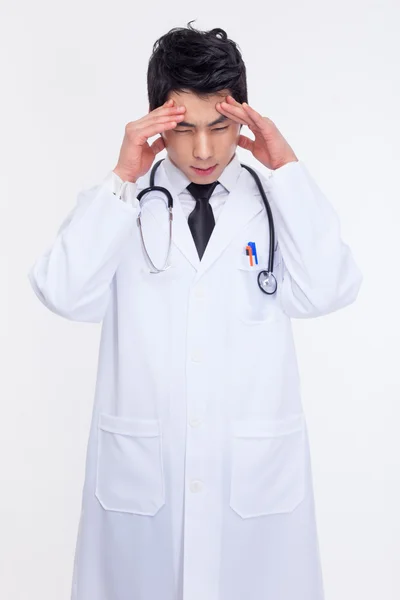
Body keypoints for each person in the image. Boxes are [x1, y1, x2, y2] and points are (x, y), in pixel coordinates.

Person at [28, 21, 362, 600]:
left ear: (243, 120)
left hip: (254, 494)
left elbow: (332, 286)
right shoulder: (123, 204)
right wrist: (122, 179)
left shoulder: (274, 203)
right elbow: (61, 290)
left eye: (221, 127)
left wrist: (287, 171)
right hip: (142, 498)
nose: (204, 150)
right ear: (156, 123)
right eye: (183, 130)